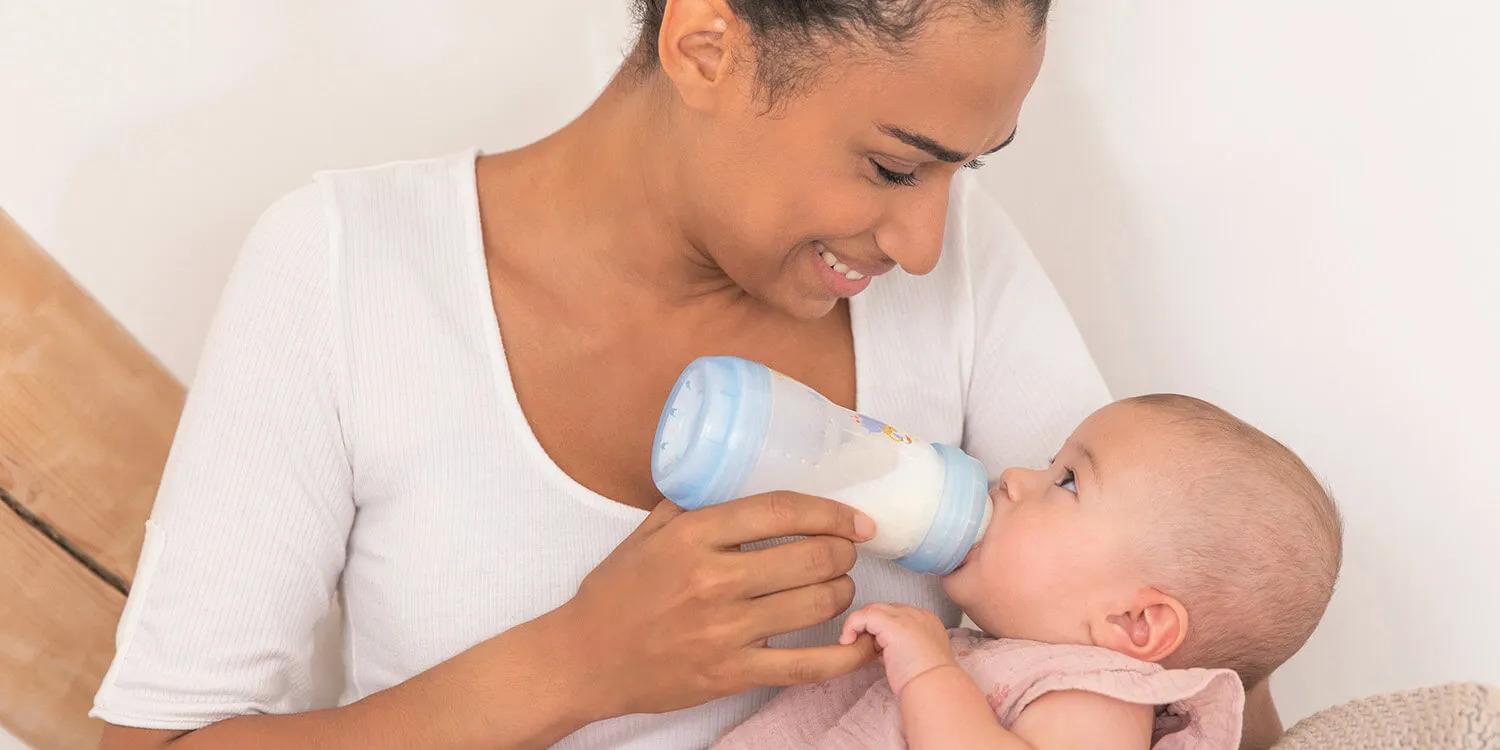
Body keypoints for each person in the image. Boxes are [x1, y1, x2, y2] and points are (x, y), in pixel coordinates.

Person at [95, 1, 1284, 747]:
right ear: (706, 45)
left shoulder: (960, 268)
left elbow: (1189, 653)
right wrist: (576, 664)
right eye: (892, 167)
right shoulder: (352, 267)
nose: (926, 243)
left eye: (963, 172)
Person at [717, 395, 1342, 748]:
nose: (1014, 477)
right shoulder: (1023, 656)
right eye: (1050, 464)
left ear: (1135, 622)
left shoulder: (1103, 699)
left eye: (1065, 482)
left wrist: (930, 674)